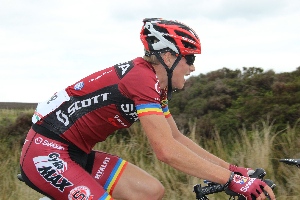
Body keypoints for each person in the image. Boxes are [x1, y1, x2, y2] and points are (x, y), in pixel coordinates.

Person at [20, 18, 276, 200]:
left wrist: (231, 170)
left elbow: (176, 138)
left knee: (150, 192)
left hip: (78, 153)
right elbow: (166, 151)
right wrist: (231, 181)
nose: (193, 67)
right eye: (190, 59)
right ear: (168, 57)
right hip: (47, 153)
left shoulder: (156, 86)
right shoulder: (141, 79)